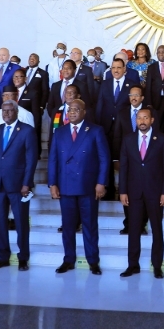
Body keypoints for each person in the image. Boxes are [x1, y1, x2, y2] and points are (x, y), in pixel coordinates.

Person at [48, 99, 111, 275]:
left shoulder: (95, 130)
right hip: (66, 186)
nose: (72, 112)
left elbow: (104, 159)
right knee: (67, 226)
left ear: (84, 111)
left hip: (88, 186)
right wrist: (52, 183)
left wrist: (101, 183)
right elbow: (53, 160)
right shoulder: (59, 132)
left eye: (76, 109)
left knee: (90, 226)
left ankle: (93, 261)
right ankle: (68, 260)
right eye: (70, 109)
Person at [0, 100, 38, 271]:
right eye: (3, 111)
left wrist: (27, 183)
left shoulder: (27, 131)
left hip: (18, 185)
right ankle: (3, 256)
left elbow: (31, 160)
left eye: (9, 111)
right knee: (0, 222)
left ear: (16, 112)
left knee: (21, 222)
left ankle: (23, 257)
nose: (6, 114)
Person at [118, 108, 164, 278]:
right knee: (133, 230)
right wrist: (123, 191)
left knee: (157, 229)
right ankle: (133, 265)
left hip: (155, 193)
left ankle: (157, 266)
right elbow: (124, 167)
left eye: (145, 118)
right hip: (133, 193)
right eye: (139, 118)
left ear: (152, 120)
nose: (142, 121)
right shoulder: (128, 140)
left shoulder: (162, 140)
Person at [112, 85, 153, 234]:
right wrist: (116, 158)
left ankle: (142, 224)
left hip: (145, 160)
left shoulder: (149, 113)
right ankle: (129, 223)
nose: (134, 98)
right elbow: (116, 136)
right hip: (127, 160)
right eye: (131, 95)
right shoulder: (122, 112)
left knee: (145, 193)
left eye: (137, 95)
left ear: (142, 97)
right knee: (127, 192)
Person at [96, 58, 138, 199]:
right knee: (106, 158)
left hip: (124, 129)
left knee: (125, 159)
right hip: (106, 127)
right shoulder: (105, 84)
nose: (116, 70)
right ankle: (109, 189)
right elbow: (100, 104)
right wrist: (98, 124)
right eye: (113, 67)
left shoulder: (131, 85)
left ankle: (125, 189)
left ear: (124, 69)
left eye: (119, 67)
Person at [0, 85, 35, 157]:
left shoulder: (26, 114)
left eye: (10, 95)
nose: (7, 98)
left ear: (17, 96)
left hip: (17, 156)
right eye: (5, 95)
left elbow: (30, 140)